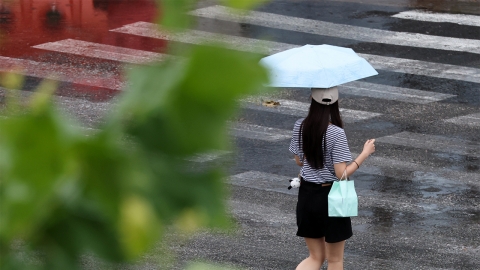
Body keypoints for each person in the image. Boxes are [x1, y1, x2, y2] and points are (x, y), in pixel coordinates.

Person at [289, 87, 376, 270]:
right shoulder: (336, 132)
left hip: (307, 195)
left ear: (312, 100)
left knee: (315, 257)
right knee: (335, 260)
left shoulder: (300, 125)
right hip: (332, 197)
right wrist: (364, 154)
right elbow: (341, 174)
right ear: (335, 103)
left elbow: (299, 161)